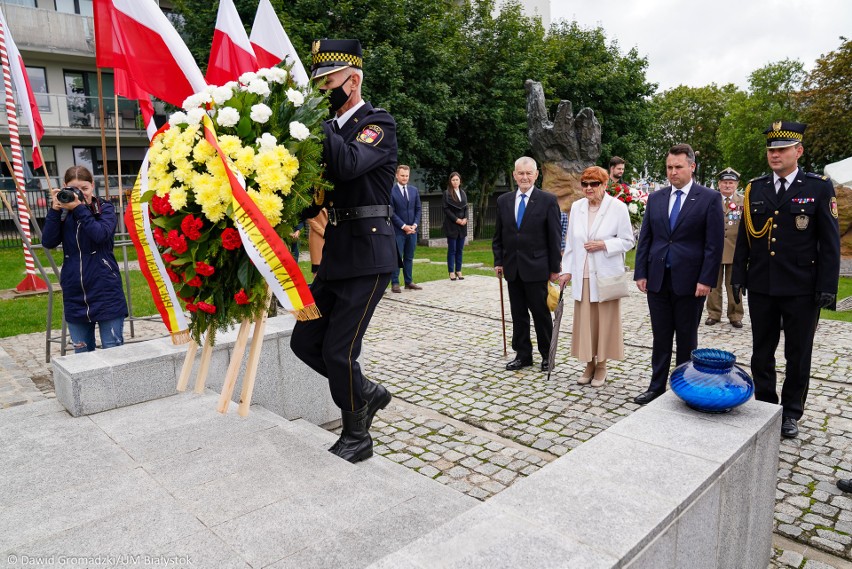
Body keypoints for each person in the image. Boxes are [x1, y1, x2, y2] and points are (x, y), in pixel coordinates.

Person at [290, 39, 397, 463]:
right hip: (335, 254)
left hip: (369, 255)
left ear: (352, 81)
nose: (320, 90)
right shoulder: (328, 133)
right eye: (316, 83)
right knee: (304, 340)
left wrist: (316, 124)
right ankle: (366, 393)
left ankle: (357, 435)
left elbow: (351, 163)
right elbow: (316, 199)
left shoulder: (377, 123)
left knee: (339, 350)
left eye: (326, 81)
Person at [731, 121, 840, 439]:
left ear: (798, 151)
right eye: (771, 150)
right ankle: (765, 405)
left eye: (781, 149)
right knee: (760, 352)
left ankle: (791, 412)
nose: (775, 155)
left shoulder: (818, 187)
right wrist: (738, 276)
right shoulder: (756, 188)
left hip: (801, 288)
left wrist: (826, 287)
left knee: (798, 354)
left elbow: (829, 243)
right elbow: (744, 239)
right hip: (762, 285)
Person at [633, 144, 724, 405]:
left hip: (691, 282)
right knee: (660, 336)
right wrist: (641, 272)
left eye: (678, 167)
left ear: (692, 167)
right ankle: (656, 387)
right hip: (658, 279)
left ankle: (684, 389)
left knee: (686, 337)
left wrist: (706, 279)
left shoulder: (708, 198)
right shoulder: (657, 198)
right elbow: (646, 239)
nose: (673, 172)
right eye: (669, 167)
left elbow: (713, 244)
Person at [558, 166, 634, 386]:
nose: (589, 188)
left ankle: (601, 366)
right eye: (585, 184)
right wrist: (566, 270)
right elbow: (571, 243)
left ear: (604, 185)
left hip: (605, 275)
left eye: (594, 184)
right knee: (586, 323)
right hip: (583, 275)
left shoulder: (617, 208)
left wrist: (604, 244)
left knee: (605, 322)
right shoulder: (577, 207)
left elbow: (628, 241)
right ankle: (588, 363)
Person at [42, 166, 127, 353]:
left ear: (92, 186)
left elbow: (100, 235)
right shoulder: (63, 213)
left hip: (106, 291)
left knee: (114, 352)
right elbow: (48, 242)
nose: (80, 194)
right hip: (75, 292)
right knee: (82, 356)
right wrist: (55, 211)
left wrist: (80, 208)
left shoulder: (105, 208)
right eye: (74, 189)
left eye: (85, 189)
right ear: (65, 187)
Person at [493, 156, 562, 372]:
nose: (524, 177)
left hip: (537, 268)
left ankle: (546, 356)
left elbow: (554, 237)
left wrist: (554, 269)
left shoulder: (547, 200)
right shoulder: (503, 201)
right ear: (514, 175)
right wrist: (498, 261)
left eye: (528, 173)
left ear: (536, 175)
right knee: (518, 314)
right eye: (520, 173)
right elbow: (499, 236)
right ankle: (523, 354)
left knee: (541, 315)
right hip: (513, 268)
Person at [705, 167, 744, 328]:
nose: (728, 186)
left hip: (735, 249)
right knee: (713, 285)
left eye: (731, 183)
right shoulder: (711, 200)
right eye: (725, 182)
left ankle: (735, 315)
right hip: (715, 249)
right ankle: (714, 314)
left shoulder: (743, 201)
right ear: (719, 184)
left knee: (735, 285)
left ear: (736, 184)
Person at [390, 164, 422, 293]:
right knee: (397, 257)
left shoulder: (414, 190)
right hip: (398, 231)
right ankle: (395, 283)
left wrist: (414, 225)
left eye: (407, 176)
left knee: (409, 257)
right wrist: (404, 226)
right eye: (402, 175)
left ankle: (408, 282)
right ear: (397, 176)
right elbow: (391, 212)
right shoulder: (391, 191)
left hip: (412, 231)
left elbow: (418, 209)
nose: (404, 178)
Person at [442, 171, 468, 280]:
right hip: (452, 224)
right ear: (450, 181)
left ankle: (459, 270)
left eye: (457, 180)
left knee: (460, 249)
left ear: (460, 181)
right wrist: (457, 219)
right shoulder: (447, 193)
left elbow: (466, 207)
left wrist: (465, 218)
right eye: (453, 180)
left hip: (462, 225)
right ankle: (451, 271)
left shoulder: (463, 193)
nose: (455, 182)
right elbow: (446, 209)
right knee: (452, 249)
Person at [307, 207, 328, 276]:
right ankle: (317, 286)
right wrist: (324, 233)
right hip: (317, 238)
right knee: (317, 267)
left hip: (331, 237)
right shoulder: (311, 202)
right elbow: (310, 219)